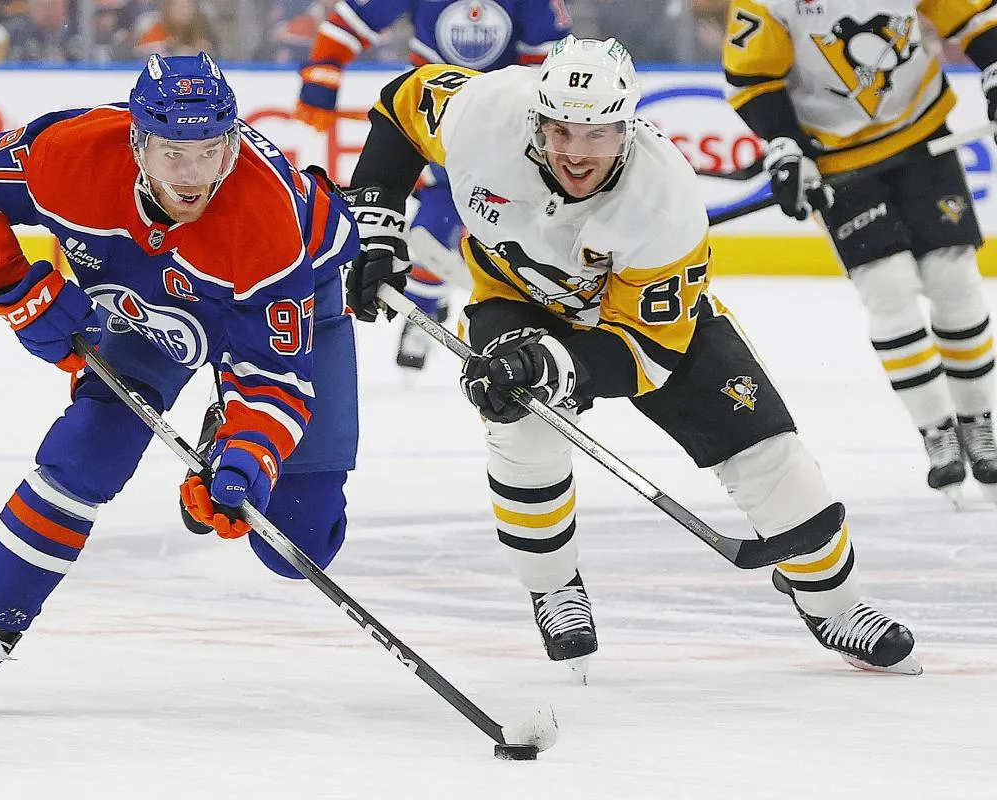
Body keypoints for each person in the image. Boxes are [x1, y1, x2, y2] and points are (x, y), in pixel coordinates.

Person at [343, 35, 922, 678]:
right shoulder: (485, 110)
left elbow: (647, 353)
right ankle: (556, 589)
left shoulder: (664, 198)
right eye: (559, 129)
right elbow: (400, 107)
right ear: (536, 116)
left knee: (770, 457)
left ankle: (838, 606)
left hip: (646, 327)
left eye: (595, 134)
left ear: (627, 126)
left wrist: (553, 366)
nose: (574, 151)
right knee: (523, 430)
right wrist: (376, 232)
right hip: (515, 302)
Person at [0, 53, 360, 708]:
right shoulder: (73, 154)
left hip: (295, 288)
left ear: (232, 140)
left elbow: (275, 378)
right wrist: (15, 291)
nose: (193, 175)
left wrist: (250, 452)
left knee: (294, 544)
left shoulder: (266, 219)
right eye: (173, 152)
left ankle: (224, 432)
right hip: (154, 305)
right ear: (136, 140)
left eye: (209, 151)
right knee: (85, 452)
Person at [723, 0, 997, 507]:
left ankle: (979, 423)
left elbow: (974, 15)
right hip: (837, 158)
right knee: (887, 288)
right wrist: (785, 145)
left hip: (920, 134)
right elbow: (751, 79)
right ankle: (936, 430)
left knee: (953, 280)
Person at [296, 0, 572, 370]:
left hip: (502, 124)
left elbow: (551, 63)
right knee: (434, 223)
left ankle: (447, 311)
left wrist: (522, 122)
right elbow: (354, 20)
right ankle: (424, 312)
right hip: (427, 116)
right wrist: (325, 70)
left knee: (476, 227)